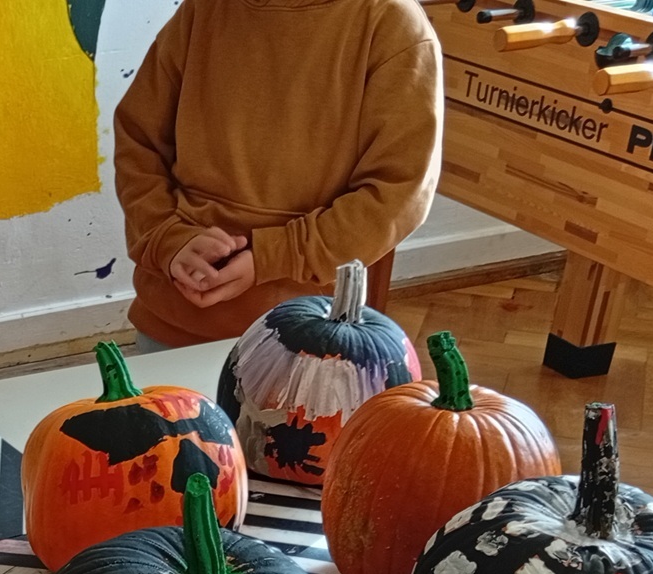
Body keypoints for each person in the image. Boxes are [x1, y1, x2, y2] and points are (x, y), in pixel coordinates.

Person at [113, 0, 443, 348]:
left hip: (304, 337)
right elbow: (139, 142)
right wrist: (168, 238)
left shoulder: (391, 22)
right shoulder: (201, 10)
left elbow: (396, 194)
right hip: (170, 317)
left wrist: (274, 257)